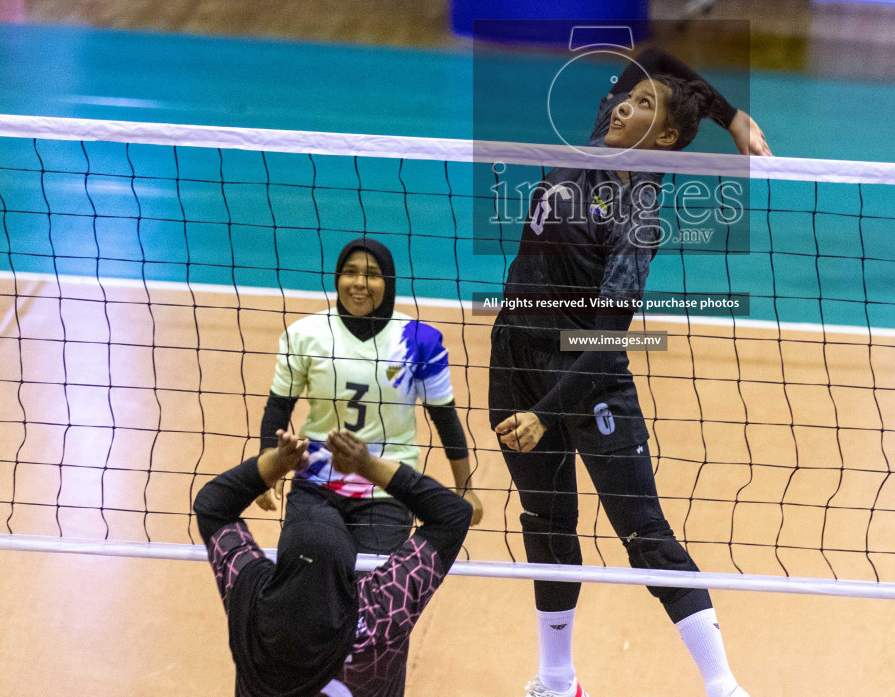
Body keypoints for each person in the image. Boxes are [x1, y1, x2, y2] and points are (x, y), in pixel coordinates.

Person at [489, 47, 767, 697]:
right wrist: (730, 116)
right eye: (627, 99)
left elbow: (606, 333)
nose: (624, 105)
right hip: (514, 357)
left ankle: (723, 686)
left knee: (645, 534)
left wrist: (545, 413)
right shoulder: (593, 144)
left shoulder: (638, 212)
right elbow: (651, 57)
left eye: (644, 107)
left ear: (665, 138)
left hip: (584, 376)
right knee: (545, 523)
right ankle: (557, 681)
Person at [193, 428, 472, 697]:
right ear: (350, 573)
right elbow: (453, 515)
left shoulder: (248, 594)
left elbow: (212, 507)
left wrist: (275, 463)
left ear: (281, 564)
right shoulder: (380, 609)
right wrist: (367, 466)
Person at [257, 238, 483, 556]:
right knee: (308, 567)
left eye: (372, 274)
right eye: (350, 272)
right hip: (316, 480)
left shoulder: (419, 341)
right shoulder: (305, 335)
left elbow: (445, 418)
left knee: (372, 587)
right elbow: (278, 407)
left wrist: (467, 489)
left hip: (388, 481)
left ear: (388, 282)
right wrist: (267, 471)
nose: (359, 283)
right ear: (337, 278)